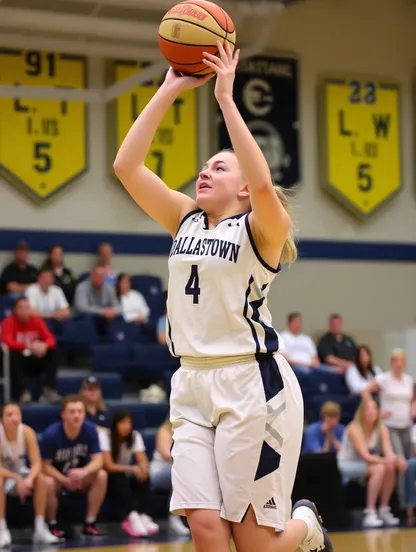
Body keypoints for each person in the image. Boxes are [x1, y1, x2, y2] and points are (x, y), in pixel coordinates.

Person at [114, 41, 332, 552]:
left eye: (219, 167)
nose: (205, 171)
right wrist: (169, 88)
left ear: (242, 191)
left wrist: (227, 101)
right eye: (205, 166)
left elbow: (262, 181)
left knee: (252, 544)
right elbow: (127, 166)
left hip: (253, 385)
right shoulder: (184, 218)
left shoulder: (263, 228)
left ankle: (306, 525)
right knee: (207, 531)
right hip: (191, 380)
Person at [40, 395, 107, 539]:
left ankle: (90, 523)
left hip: (79, 477)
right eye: (72, 412)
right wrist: (64, 480)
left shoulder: (90, 430)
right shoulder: (51, 435)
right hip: (58, 478)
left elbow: (99, 460)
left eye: (80, 411)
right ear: (63, 415)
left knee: (101, 475)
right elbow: (44, 466)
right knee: (48, 482)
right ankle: (52, 524)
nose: (76, 415)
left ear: (84, 414)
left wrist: (84, 472)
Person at [337, 398, 407, 528]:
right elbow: (366, 456)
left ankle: (384, 509)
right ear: (362, 412)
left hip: (368, 464)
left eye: (374, 408)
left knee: (390, 467)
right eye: (368, 409)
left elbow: (389, 453)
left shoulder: (381, 428)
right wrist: (391, 460)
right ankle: (370, 512)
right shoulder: (354, 428)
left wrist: (397, 459)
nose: (371, 411)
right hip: (347, 464)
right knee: (380, 468)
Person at [363, 348, 415, 509]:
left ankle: (410, 502)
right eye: (395, 361)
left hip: (406, 425)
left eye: (401, 361)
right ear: (392, 362)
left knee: (409, 465)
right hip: (390, 427)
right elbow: (365, 391)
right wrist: (375, 409)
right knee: (399, 462)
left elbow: (412, 398)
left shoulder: (408, 379)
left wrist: (413, 408)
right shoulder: (384, 379)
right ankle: (401, 504)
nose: (398, 364)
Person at [0, 402, 59, 545]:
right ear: (1, 419)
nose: (15, 418)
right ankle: (2, 530)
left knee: (41, 478)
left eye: (18, 414)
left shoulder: (27, 432)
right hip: (6, 476)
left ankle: (40, 528)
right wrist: (17, 478)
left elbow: (37, 463)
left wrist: (29, 479)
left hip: (20, 474)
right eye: (9, 415)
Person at [99, 409, 159, 537]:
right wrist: (131, 468)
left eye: (129, 422)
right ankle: (132, 516)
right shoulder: (105, 436)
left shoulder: (135, 436)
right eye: (123, 423)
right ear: (115, 424)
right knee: (119, 476)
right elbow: (108, 466)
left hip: (123, 476)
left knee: (143, 474)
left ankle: (144, 515)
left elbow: (143, 460)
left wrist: (142, 468)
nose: (127, 426)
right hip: (107, 481)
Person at [1, 297, 61, 404]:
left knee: (53, 351)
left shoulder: (37, 321)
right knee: (12, 355)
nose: (24, 311)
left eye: (26, 307)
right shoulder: (8, 322)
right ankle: (24, 392)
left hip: (34, 360)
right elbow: (7, 342)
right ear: (15, 310)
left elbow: (51, 339)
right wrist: (28, 346)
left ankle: (48, 389)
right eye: (21, 308)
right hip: (17, 362)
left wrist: (43, 345)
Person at [150, 417, 190, 536]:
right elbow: (168, 455)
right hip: (158, 473)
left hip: (181, 470)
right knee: (179, 468)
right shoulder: (165, 430)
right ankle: (174, 517)